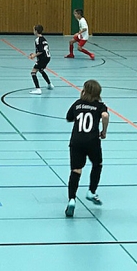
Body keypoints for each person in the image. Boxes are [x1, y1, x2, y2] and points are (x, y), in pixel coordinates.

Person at [64, 79, 109, 215]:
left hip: (76, 141)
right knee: (97, 164)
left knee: (76, 170)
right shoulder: (100, 106)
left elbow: (69, 118)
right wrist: (104, 131)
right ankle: (91, 191)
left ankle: (72, 199)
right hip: (92, 141)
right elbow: (105, 116)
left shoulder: (78, 104)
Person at [28, 24, 53, 95]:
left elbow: (41, 51)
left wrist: (34, 55)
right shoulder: (44, 39)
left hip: (43, 58)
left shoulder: (37, 40)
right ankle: (49, 84)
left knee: (33, 72)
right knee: (41, 70)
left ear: (36, 31)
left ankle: (38, 89)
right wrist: (35, 53)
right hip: (47, 57)